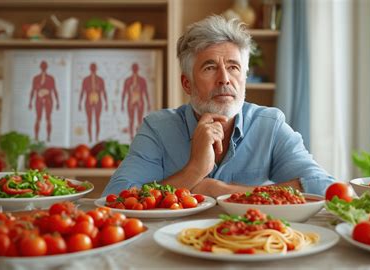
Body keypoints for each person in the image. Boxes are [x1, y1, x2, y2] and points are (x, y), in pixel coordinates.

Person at [103, 15, 335, 198]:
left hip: (249, 248)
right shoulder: (157, 129)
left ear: (244, 78)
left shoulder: (270, 126)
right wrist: (193, 170)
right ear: (187, 83)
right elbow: (114, 198)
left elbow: (324, 187)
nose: (224, 78)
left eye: (233, 67)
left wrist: (221, 191)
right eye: (209, 67)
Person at [28, 60, 60, 142]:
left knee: (48, 118)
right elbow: (33, 90)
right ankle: (36, 137)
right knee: (38, 118)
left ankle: (48, 137)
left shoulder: (51, 78)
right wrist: (30, 102)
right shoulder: (36, 78)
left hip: (48, 100)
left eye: (44, 66)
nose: (43, 68)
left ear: (46, 67)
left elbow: (54, 90)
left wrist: (57, 102)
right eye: (42, 66)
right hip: (38, 100)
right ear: (40, 67)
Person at [78, 63, 108, 143]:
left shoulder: (100, 80)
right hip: (88, 100)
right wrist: (80, 103)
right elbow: (82, 91)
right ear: (90, 69)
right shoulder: (86, 79)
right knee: (89, 120)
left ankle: (97, 137)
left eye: (94, 68)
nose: (93, 69)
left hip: (98, 100)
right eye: (92, 68)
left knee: (97, 120)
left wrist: (106, 103)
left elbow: (104, 91)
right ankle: (90, 138)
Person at [121, 63, 151, 140]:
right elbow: (124, 92)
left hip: (140, 100)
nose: (135, 70)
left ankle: (138, 137)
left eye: (135, 68)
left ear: (137, 69)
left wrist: (148, 103)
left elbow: (145, 92)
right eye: (134, 68)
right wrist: (122, 104)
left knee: (139, 119)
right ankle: (131, 136)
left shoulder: (142, 80)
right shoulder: (127, 80)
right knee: (131, 119)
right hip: (130, 101)